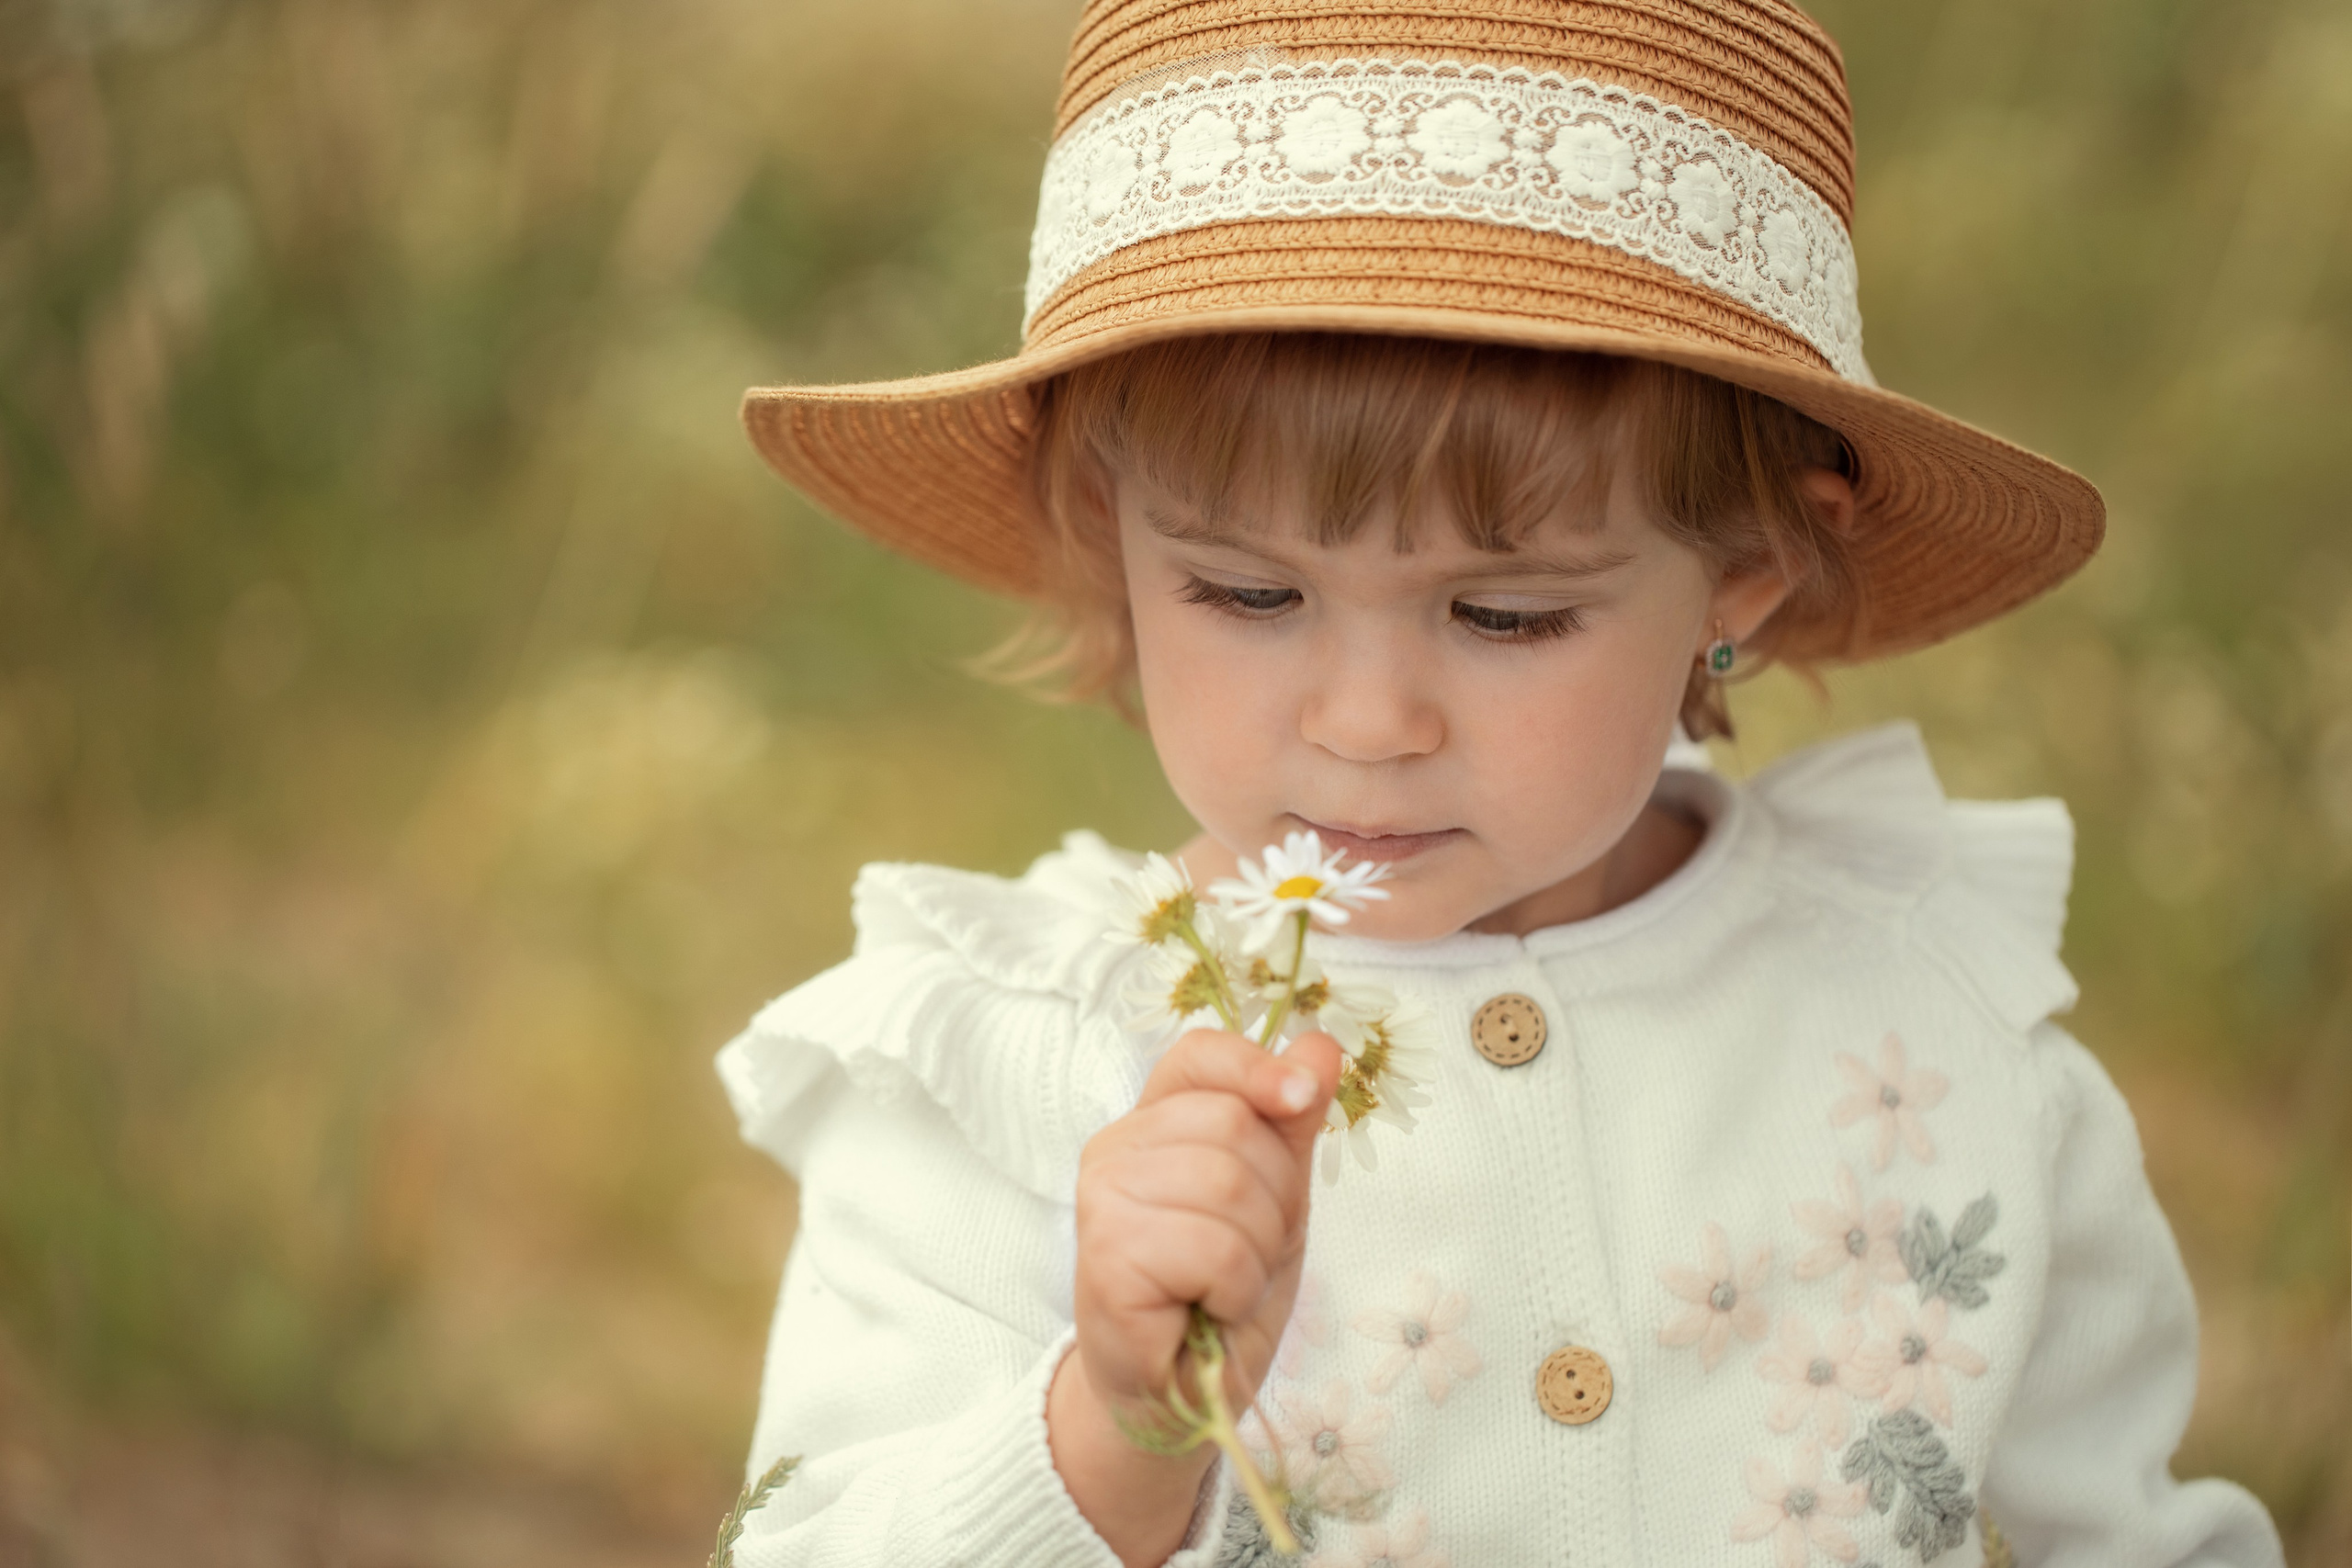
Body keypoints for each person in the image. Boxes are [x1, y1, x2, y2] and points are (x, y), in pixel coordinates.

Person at [715, 2, 2284, 1563]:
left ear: (1741, 578)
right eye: (1249, 596)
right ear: (1112, 535)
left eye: (1507, 612)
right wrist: (1110, 1435)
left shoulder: (1934, 1029)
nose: (1369, 719)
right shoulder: (1017, 1062)